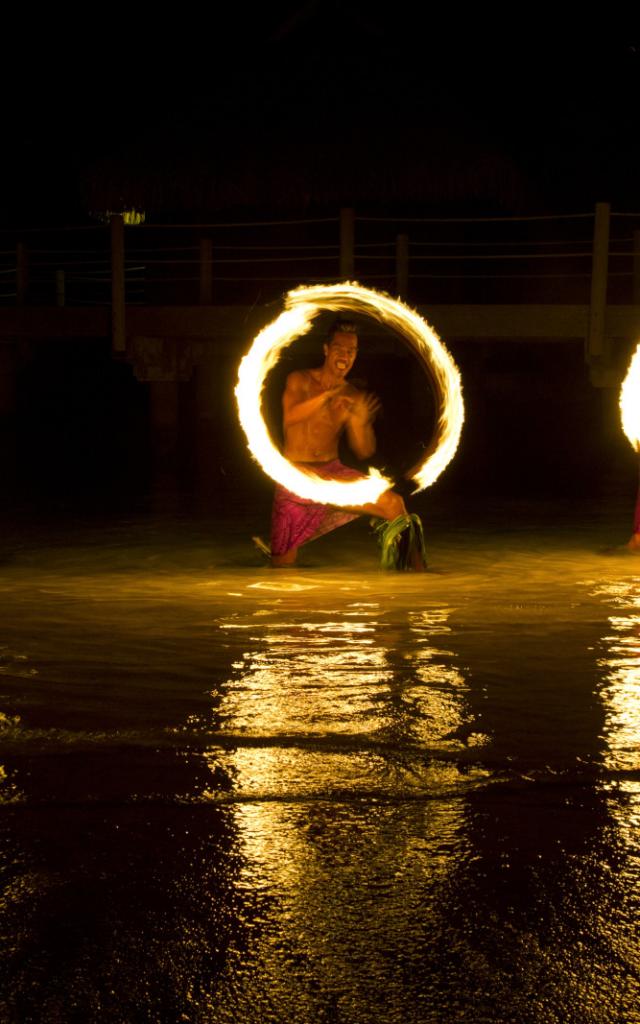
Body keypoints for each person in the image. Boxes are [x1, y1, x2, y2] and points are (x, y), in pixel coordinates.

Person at [265, 318, 427, 569]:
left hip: (332, 473)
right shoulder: (299, 380)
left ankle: (420, 573)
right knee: (282, 567)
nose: (346, 355)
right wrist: (327, 395)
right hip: (295, 478)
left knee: (394, 503)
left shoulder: (352, 395)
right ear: (326, 350)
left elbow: (364, 450)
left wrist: (361, 422)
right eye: (340, 348)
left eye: (351, 351)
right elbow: (291, 417)